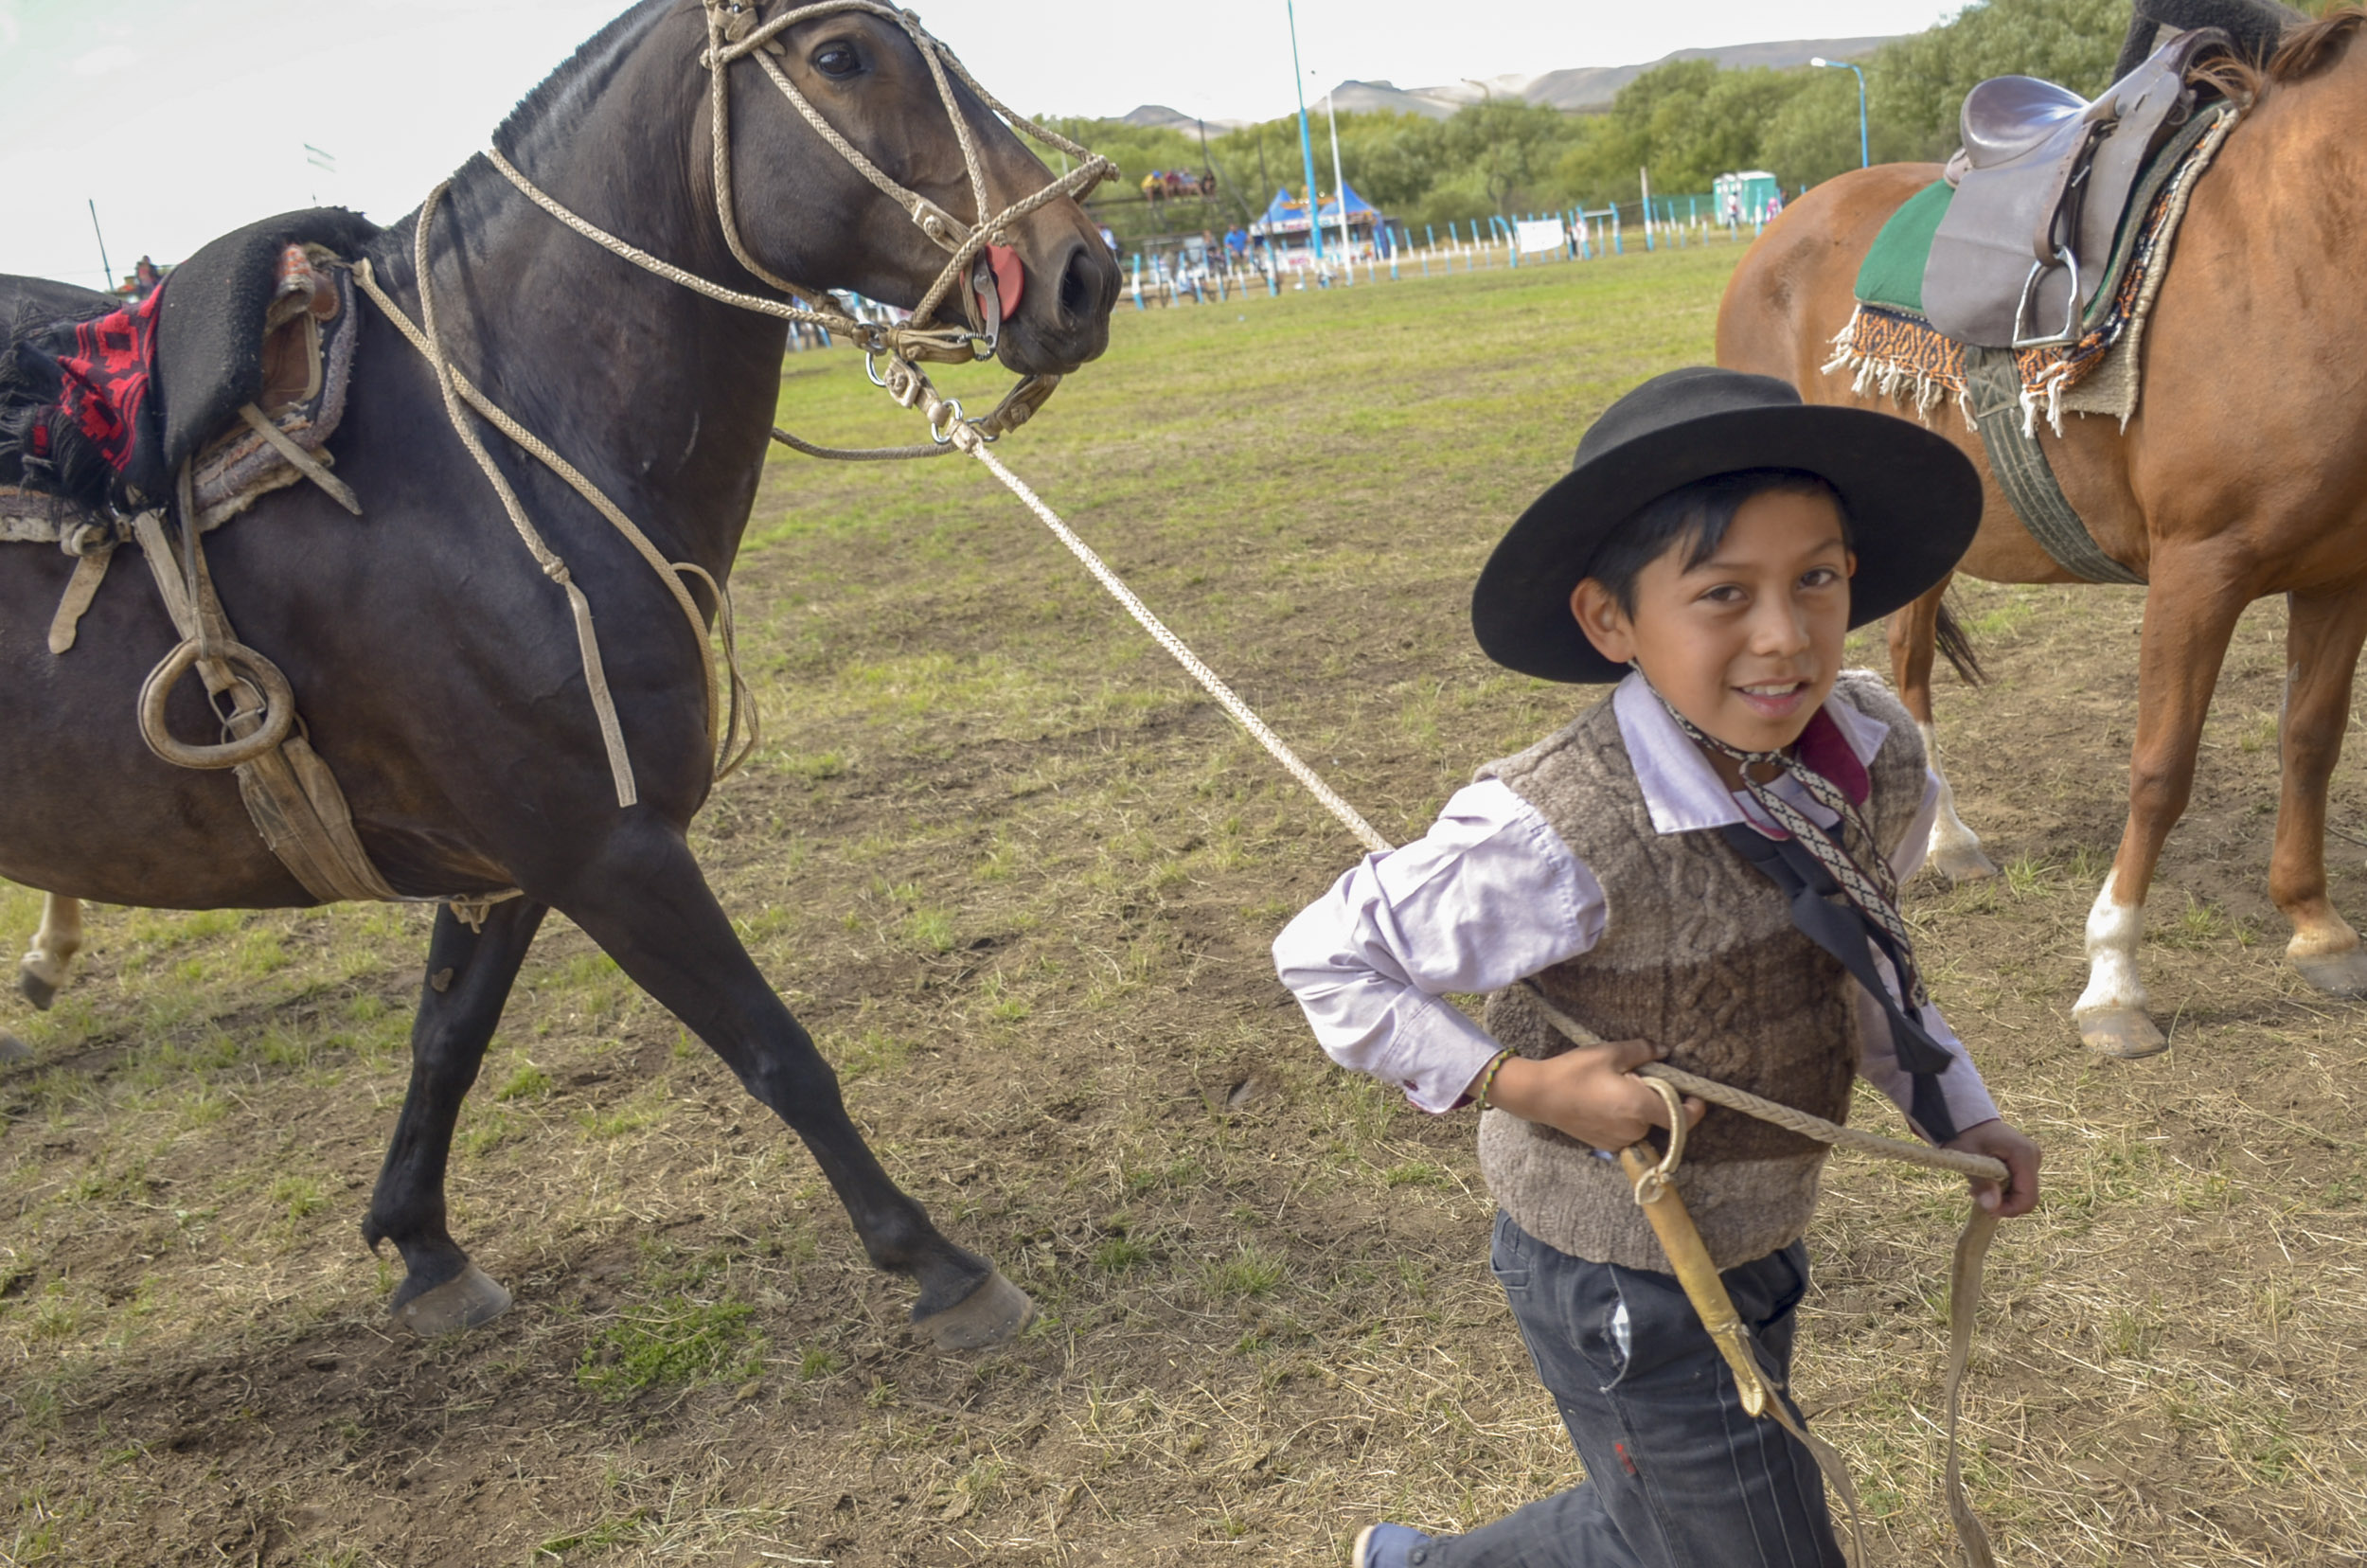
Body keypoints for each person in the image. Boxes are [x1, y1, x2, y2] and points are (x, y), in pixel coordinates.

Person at [1273, 368, 2042, 1568]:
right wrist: (1525, 1087)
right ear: (1610, 622)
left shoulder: (1875, 757)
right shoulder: (1558, 829)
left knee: (1663, 1526)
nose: (1782, 634)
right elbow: (1327, 957)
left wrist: (1962, 1114)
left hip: (1759, 1233)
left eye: (1816, 580)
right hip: (1616, 1271)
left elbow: (1862, 965)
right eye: (1722, 594)